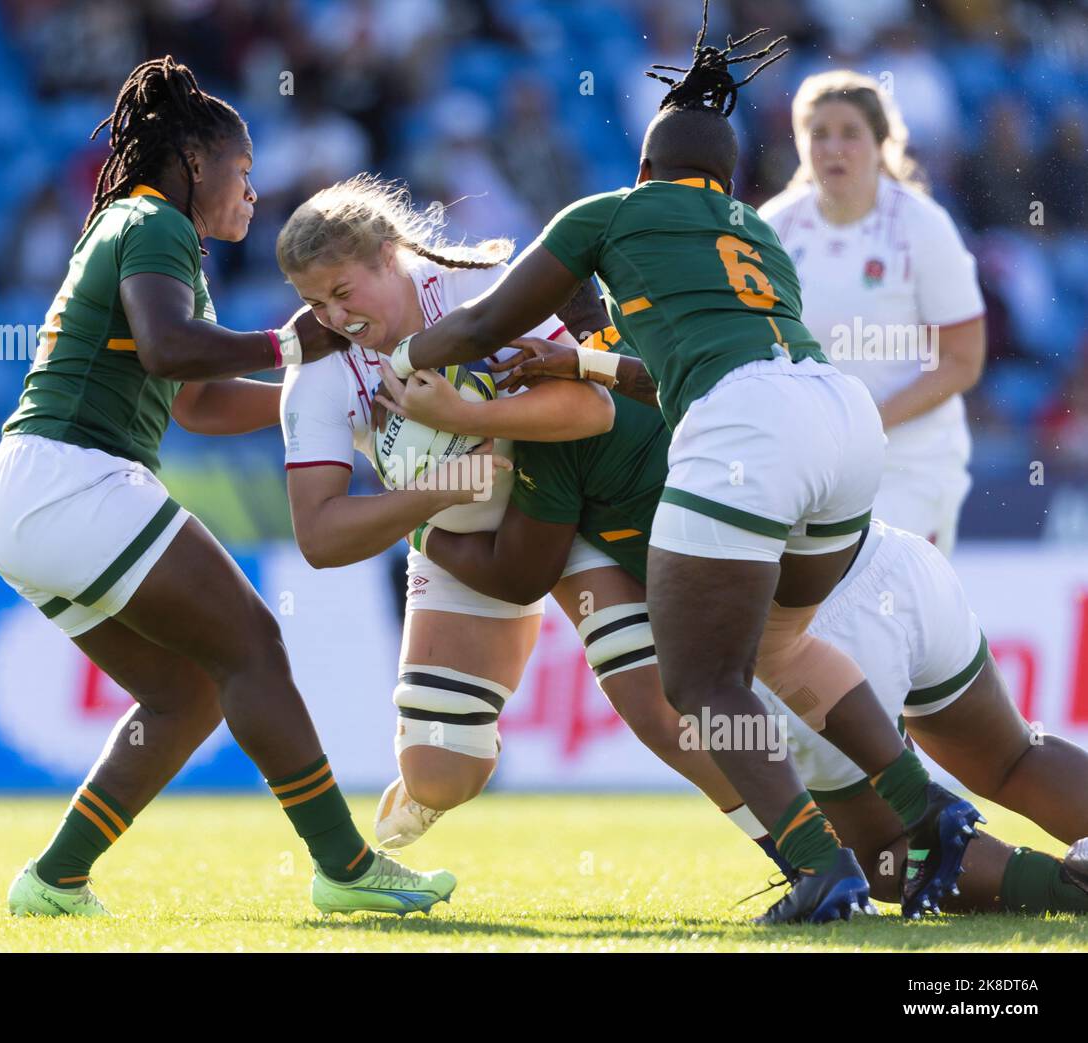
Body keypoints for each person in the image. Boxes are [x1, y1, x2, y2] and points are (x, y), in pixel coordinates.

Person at [372, 1, 982, 923]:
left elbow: (486, 320)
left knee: (700, 680)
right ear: (728, 176)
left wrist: (402, 364)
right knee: (781, 644)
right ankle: (927, 805)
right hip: (842, 421)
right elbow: (696, 355)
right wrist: (578, 360)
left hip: (750, 436)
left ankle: (823, 867)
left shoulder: (609, 211)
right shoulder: (756, 231)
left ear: (646, 165)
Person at [0, 57, 456, 919]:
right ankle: (346, 866)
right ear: (194, 164)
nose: (253, 190)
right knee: (254, 645)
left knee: (187, 691)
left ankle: (54, 879)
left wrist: (332, 418)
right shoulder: (156, 223)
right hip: (74, 476)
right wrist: (293, 345)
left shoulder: (144, 232)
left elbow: (193, 401)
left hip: (26, 491)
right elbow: (170, 350)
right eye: (242, 170)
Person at [411, 317, 1088, 918]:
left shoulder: (549, 450)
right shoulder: (674, 351)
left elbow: (520, 574)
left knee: (886, 849)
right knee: (1012, 756)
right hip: (893, 562)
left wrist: (420, 525)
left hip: (807, 632)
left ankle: (1067, 893)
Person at [275, 175, 615, 840]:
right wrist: (440, 491)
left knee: (659, 693)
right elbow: (317, 536)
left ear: (390, 255)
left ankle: (807, 854)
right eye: (314, 303)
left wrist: (467, 413)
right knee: (438, 772)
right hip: (461, 540)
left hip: (577, 497)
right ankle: (455, 750)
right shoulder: (318, 373)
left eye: (343, 292)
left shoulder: (474, 292)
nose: (335, 319)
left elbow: (594, 406)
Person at [758, 70, 986, 556]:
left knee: (881, 613)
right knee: (803, 621)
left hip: (910, 468)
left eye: (850, 133)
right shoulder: (772, 227)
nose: (833, 148)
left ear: (881, 141)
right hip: (808, 469)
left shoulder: (923, 226)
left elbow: (964, 359)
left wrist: (867, 424)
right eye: (818, 133)